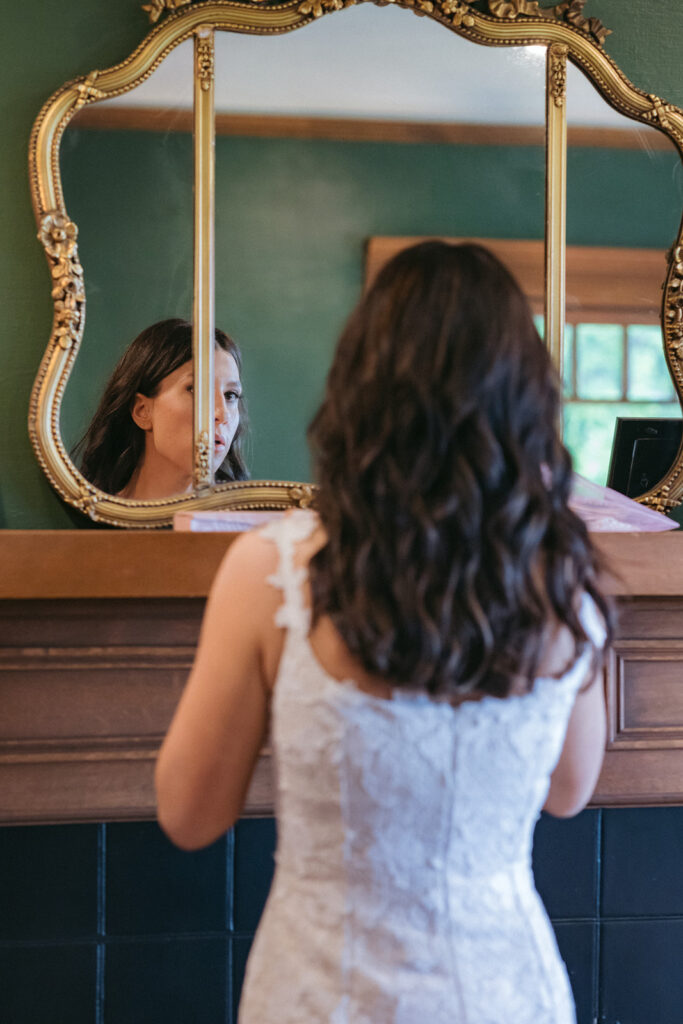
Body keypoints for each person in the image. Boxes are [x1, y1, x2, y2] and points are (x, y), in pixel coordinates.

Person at [155, 242, 613, 1024]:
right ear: (524, 398)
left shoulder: (270, 571)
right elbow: (569, 792)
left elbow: (190, 814)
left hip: (321, 995)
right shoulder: (562, 577)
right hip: (504, 993)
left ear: (360, 389)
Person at [76, 318, 248, 498]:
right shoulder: (92, 520)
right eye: (197, 390)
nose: (222, 413)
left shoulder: (251, 523)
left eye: (230, 395)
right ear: (142, 411)